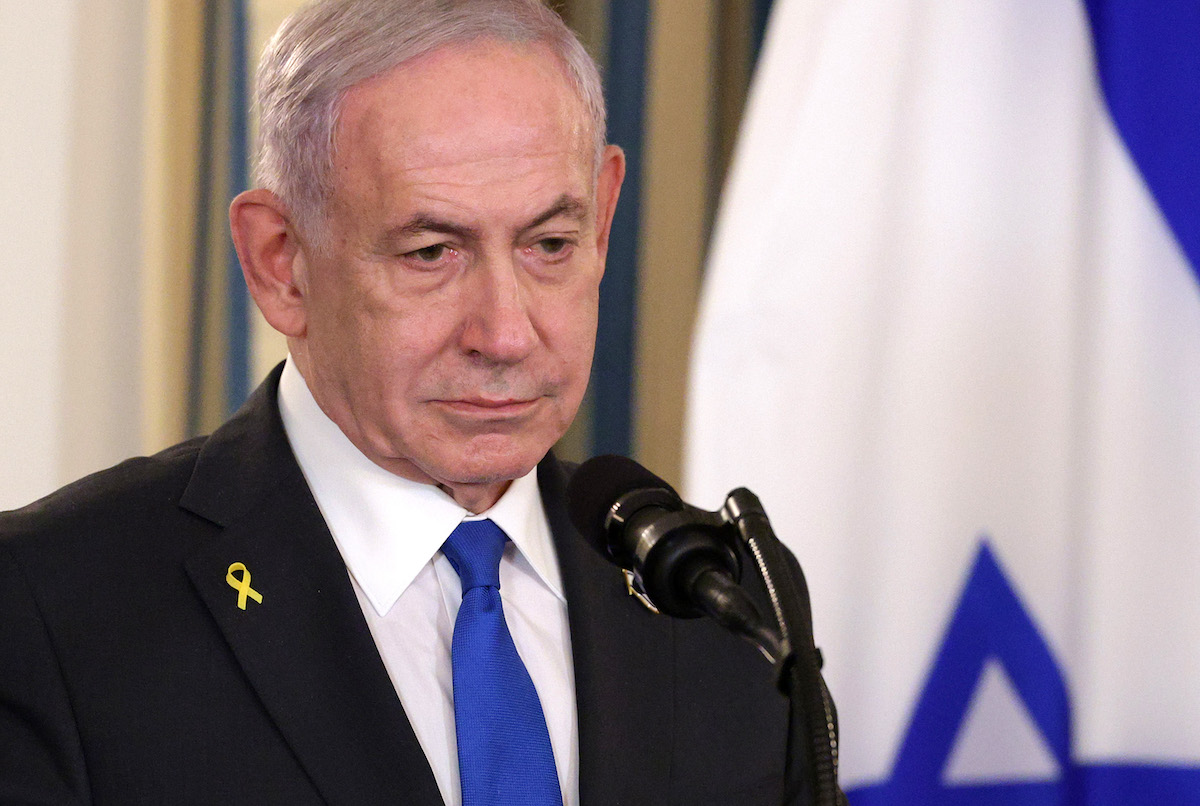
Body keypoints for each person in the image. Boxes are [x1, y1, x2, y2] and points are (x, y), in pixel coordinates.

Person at [0, 1, 792, 803]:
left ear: (604, 221)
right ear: (280, 262)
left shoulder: (729, 606)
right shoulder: (49, 611)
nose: (506, 334)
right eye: (431, 252)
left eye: (550, 244)